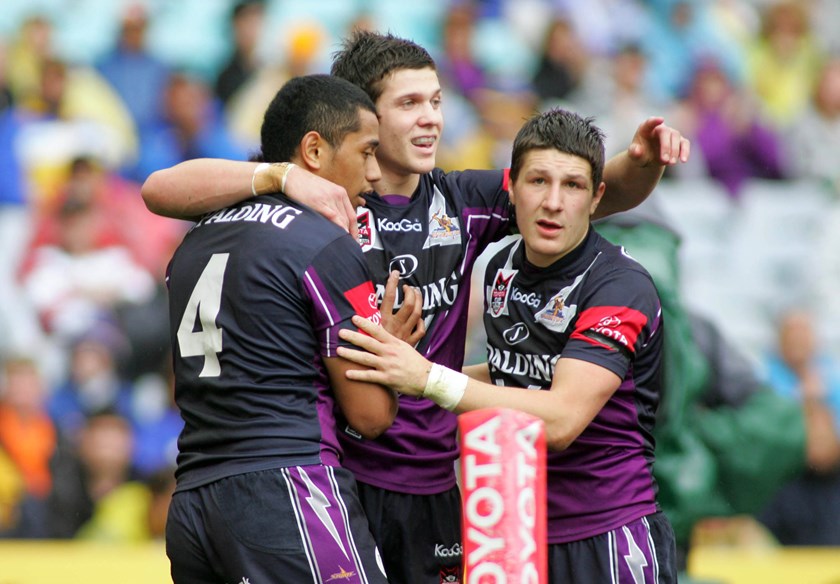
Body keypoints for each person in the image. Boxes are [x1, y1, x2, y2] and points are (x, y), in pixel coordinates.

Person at [141, 30, 690, 583]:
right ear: (365, 118)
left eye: (436, 101)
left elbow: (579, 194)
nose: (431, 118)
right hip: (342, 480)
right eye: (409, 103)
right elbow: (161, 189)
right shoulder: (322, 198)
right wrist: (281, 177)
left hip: (434, 488)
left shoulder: (462, 200)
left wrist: (642, 161)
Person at [337, 108, 678, 583]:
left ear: (597, 196)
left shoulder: (620, 286)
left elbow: (559, 419)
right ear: (511, 187)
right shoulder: (502, 269)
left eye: (573, 186)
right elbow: (503, 376)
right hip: (513, 535)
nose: (553, 202)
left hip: (607, 536)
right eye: (538, 181)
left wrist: (426, 377)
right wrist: (398, 370)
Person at [163, 74, 396, 584]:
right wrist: (392, 354)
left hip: (192, 505)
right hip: (289, 488)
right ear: (314, 149)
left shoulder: (195, 239)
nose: (375, 174)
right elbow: (372, 414)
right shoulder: (327, 244)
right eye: (367, 151)